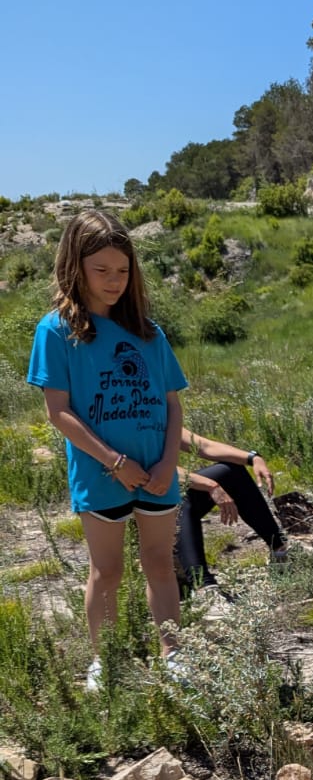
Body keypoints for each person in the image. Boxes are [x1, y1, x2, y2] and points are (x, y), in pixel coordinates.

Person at [27, 210, 185, 691]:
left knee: (160, 565)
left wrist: (168, 462)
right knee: (107, 569)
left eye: (122, 271)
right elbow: (59, 412)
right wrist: (114, 462)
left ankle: (175, 657)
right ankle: (107, 662)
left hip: (158, 472)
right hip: (101, 476)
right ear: (75, 267)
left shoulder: (148, 333)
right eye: (102, 271)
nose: (114, 281)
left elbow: (172, 403)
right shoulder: (57, 331)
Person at [176, 430, 287, 593]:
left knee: (232, 471)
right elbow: (153, 470)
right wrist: (211, 486)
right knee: (179, 498)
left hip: (165, 491)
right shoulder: (127, 421)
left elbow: (205, 446)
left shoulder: (158, 413)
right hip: (144, 509)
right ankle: (203, 588)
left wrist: (253, 458)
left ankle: (280, 550)